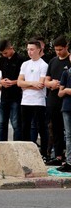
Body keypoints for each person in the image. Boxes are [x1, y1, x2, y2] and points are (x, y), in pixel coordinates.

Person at [18, 40, 49, 159]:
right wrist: (31, 83)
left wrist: (26, 84)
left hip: (38, 101)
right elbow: (20, 82)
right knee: (25, 127)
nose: (29, 52)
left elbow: (40, 84)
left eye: (32, 49)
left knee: (41, 127)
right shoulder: (25, 64)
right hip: (26, 100)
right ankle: (26, 151)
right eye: (28, 49)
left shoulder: (43, 65)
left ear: (39, 50)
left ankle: (44, 153)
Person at [44, 36, 69, 165]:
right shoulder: (53, 61)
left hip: (66, 100)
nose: (58, 52)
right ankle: (58, 155)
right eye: (56, 49)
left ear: (66, 47)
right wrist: (51, 84)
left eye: (60, 49)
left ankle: (67, 156)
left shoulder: (69, 61)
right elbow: (45, 80)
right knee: (56, 128)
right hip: (53, 99)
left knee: (67, 129)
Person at [0, 39, 26, 141]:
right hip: (4, 95)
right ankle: (1, 145)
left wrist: (13, 82)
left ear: (11, 48)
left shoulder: (21, 59)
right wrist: (2, 82)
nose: (4, 55)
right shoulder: (2, 60)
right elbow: (1, 75)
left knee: (16, 123)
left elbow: (24, 78)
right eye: (2, 53)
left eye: (5, 52)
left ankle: (17, 144)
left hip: (16, 95)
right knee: (1, 123)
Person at [56, 53, 71, 172]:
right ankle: (69, 161)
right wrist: (65, 90)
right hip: (66, 107)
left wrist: (66, 90)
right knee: (68, 135)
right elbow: (60, 92)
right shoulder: (66, 72)